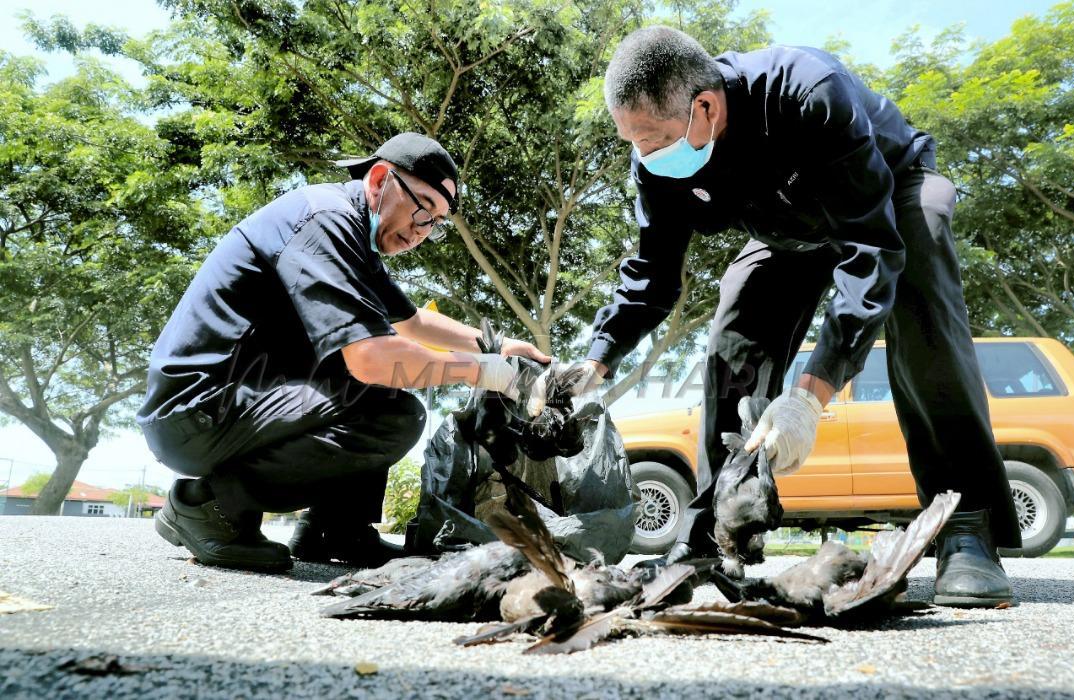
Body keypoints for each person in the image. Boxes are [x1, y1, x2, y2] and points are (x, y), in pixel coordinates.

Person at [562, 27, 1020, 607]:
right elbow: (653, 270)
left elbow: (871, 248)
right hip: (788, 234)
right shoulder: (657, 162)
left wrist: (810, 395)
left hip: (885, 200)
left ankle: (964, 525)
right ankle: (714, 533)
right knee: (734, 325)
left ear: (705, 105)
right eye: (634, 143)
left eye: (653, 140)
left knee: (920, 267)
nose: (646, 157)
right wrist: (596, 360)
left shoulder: (808, 93)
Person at [137, 133, 549, 573]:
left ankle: (335, 529)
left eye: (437, 222)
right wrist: (487, 372)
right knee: (389, 408)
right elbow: (371, 358)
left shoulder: (354, 236)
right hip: (198, 409)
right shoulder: (324, 222)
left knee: (385, 397)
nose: (423, 230)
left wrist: (498, 345)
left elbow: (412, 323)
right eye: (423, 207)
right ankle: (207, 507)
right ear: (378, 181)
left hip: (235, 400)